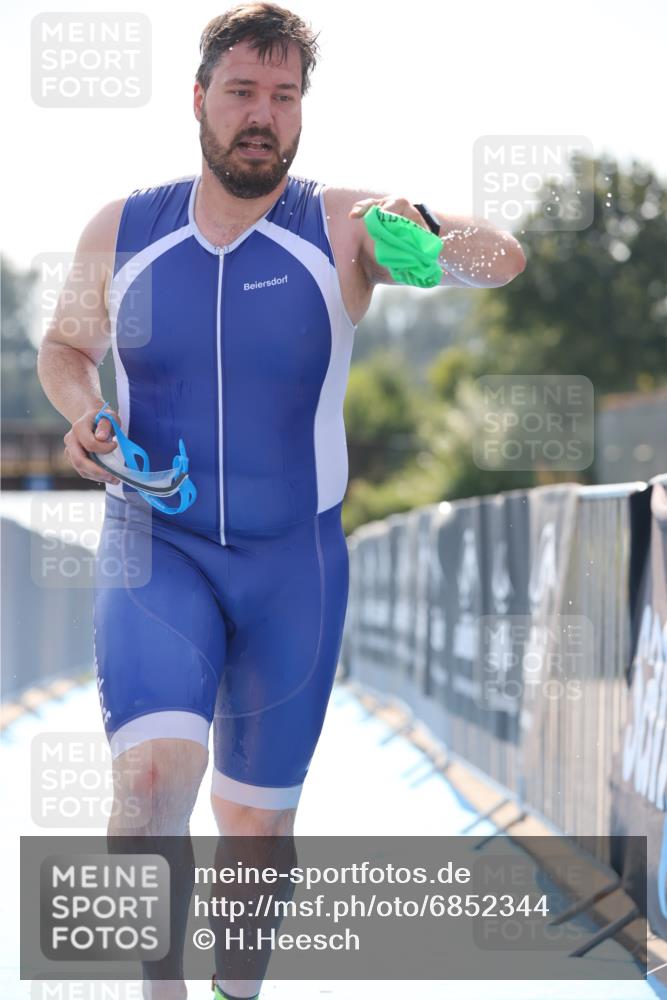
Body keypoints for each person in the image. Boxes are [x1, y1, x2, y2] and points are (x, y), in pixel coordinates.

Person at [37, 4, 526, 998]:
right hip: (153, 543)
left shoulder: (343, 227)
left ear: (301, 111)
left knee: (253, 825)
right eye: (242, 93)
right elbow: (63, 350)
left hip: (291, 566)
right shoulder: (122, 228)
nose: (262, 115)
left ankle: (235, 987)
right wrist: (87, 416)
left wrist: (427, 228)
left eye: (284, 96)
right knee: (148, 783)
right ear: (199, 101)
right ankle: (156, 987)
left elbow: (501, 259)